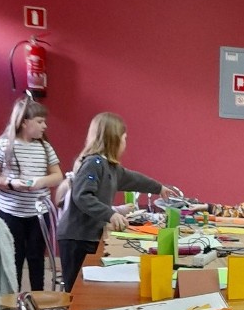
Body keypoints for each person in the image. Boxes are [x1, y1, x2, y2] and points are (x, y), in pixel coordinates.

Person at [57, 112, 176, 291]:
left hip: (88, 235)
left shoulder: (110, 167)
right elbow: (82, 196)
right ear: (114, 140)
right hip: (76, 237)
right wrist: (110, 214)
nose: (125, 143)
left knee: (85, 285)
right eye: (124, 138)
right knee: (76, 289)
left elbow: (134, 179)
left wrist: (159, 188)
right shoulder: (93, 163)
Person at [0, 97, 63, 291]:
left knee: (36, 257)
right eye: (40, 121)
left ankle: (38, 300)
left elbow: (58, 175)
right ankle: (15, 303)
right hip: (10, 213)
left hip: (38, 214)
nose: (45, 126)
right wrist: (10, 183)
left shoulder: (45, 146)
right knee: (14, 258)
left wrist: (40, 182)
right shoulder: (3, 145)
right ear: (25, 122)